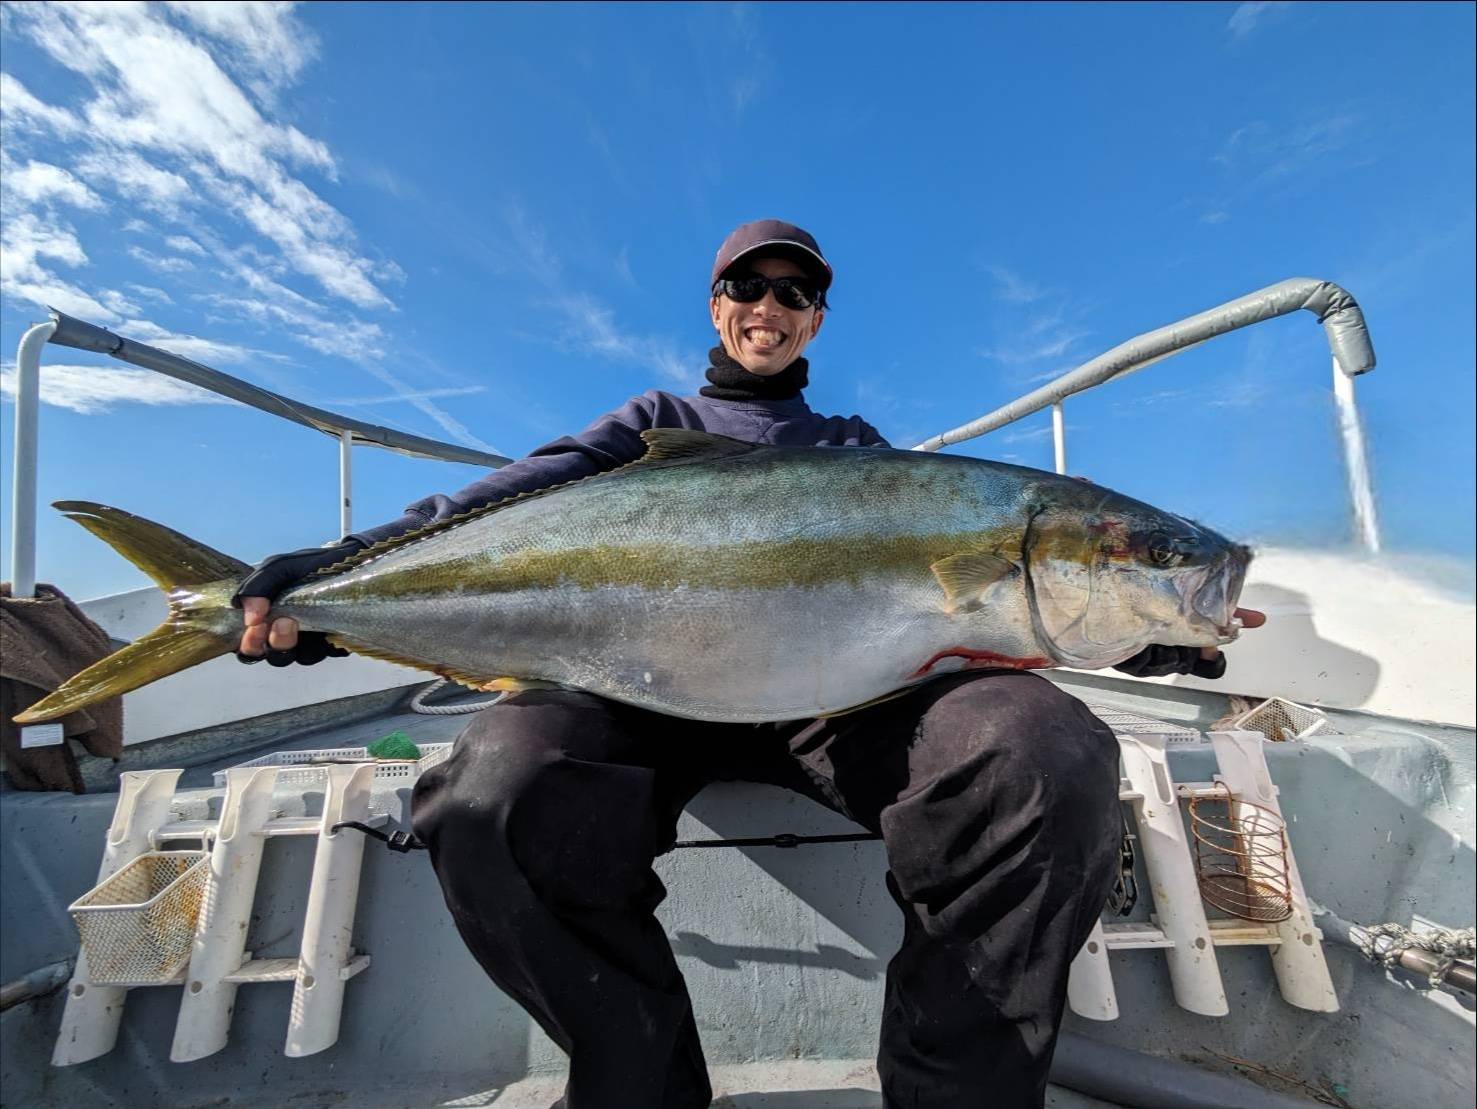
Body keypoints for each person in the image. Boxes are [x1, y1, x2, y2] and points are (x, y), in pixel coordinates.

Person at [235, 219, 1262, 1108]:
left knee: (1043, 750)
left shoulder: (857, 452)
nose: (769, 305)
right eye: (748, 285)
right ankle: (640, 1089)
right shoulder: (650, 428)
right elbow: (497, 504)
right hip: (637, 690)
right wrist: (336, 575)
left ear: (815, 319)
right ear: (716, 304)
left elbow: (977, 621)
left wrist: (1141, 626)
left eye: (795, 292)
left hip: (837, 705)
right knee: (490, 791)